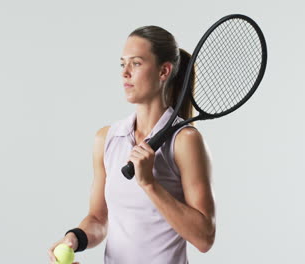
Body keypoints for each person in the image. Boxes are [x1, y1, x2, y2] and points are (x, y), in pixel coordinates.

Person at [48, 25, 216, 264]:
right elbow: (98, 218)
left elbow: (204, 237)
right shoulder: (106, 138)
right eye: (122, 64)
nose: (125, 73)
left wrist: (149, 184)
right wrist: (73, 240)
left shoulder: (185, 140)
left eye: (136, 63)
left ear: (164, 71)